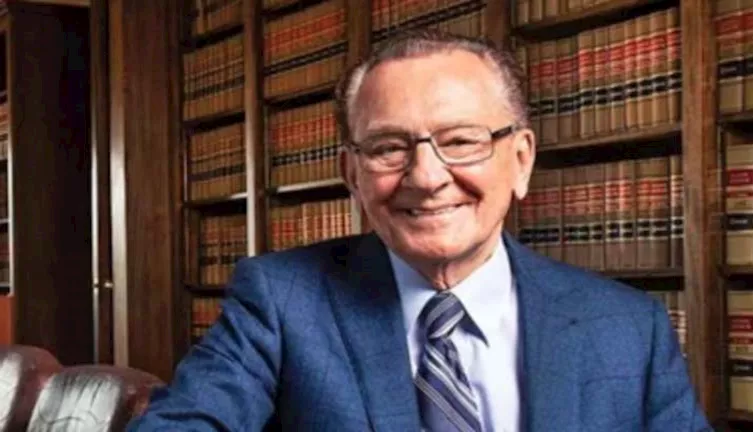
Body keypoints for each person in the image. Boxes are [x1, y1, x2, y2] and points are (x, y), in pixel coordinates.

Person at [128, 29, 712, 431]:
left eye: (461, 140)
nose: (427, 177)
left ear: (521, 160)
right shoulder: (280, 301)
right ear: (351, 174)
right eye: (389, 147)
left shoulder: (629, 328)